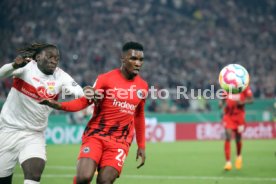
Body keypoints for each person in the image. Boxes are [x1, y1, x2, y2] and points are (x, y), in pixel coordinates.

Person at [40, 41, 148, 184]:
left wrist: (141, 145)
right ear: (123, 59)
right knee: (83, 177)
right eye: (133, 59)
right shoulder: (105, 79)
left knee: (105, 180)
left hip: (120, 142)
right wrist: (60, 105)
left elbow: (139, 115)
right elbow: (85, 101)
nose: (138, 63)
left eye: (141, 60)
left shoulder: (143, 86)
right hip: (96, 135)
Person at [0, 43, 84, 184]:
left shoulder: (60, 76)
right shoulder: (25, 67)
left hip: (34, 134)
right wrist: (14, 65)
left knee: (34, 174)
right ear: (38, 57)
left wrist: (83, 92)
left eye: (57, 58)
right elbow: (2, 73)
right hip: (8, 131)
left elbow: (79, 93)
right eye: (50, 56)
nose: (54, 60)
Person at [219, 86, 254, 171]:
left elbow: (251, 100)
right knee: (228, 136)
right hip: (228, 116)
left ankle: (238, 156)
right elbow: (222, 100)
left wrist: (242, 102)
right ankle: (228, 162)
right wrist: (221, 104)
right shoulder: (227, 87)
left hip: (239, 117)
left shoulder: (244, 87)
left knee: (238, 138)